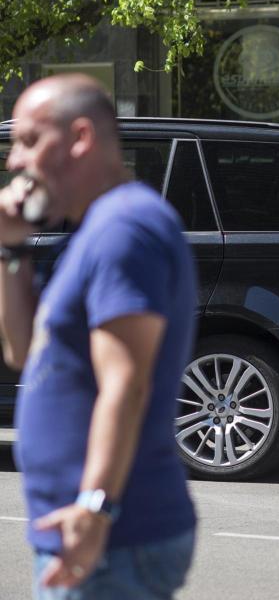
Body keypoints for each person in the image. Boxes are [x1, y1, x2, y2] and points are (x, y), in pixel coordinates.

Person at [0, 74, 197, 598]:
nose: (13, 161)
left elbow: (126, 383)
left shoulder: (124, 230)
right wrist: (11, 248)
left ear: (80, 137)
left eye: (27, 140)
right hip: (93, 535)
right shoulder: (95, 230)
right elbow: (23, 352)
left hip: (112, 540)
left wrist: (95, 508)